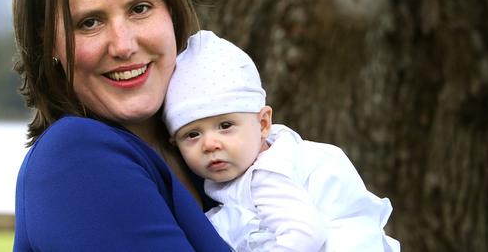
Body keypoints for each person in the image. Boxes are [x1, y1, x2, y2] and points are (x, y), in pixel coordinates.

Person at [11, 0, 230, 251]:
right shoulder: (77, 160)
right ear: (47, 42)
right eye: (89, 22)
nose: (124, 46)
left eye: (140, 8)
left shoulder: (204, 153)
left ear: (170, 11)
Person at [163, 30, 401, 252]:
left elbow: (305, 234)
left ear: (263, 123)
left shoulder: (268, 174)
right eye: (192, 134)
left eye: (225, 126)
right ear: (175, 142)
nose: (210, 144)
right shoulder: (268, 160)